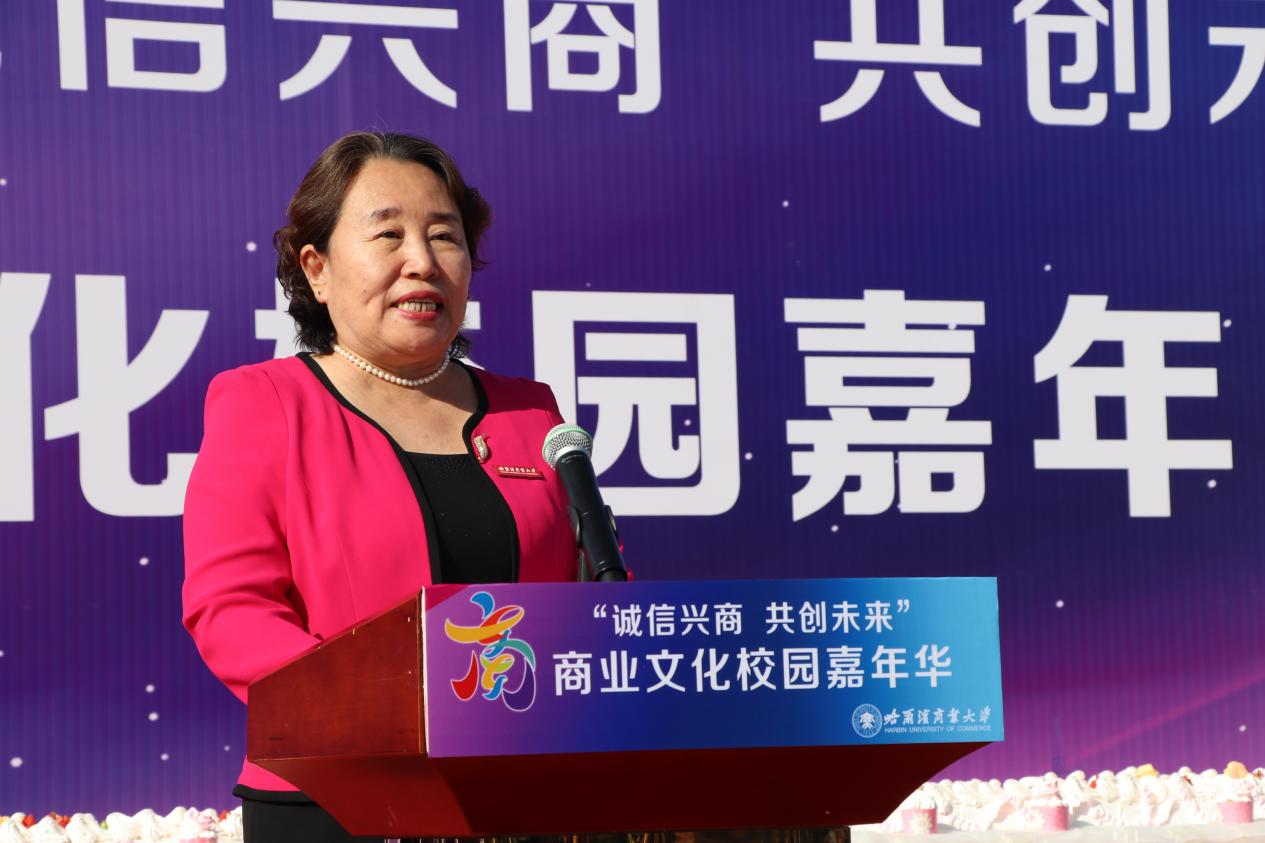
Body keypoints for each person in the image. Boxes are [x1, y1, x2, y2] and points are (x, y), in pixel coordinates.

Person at [182, 132, 579, 843]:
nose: (421, 261)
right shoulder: (264, 402)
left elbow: (596, 589)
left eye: (444, 236)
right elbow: (231, 609)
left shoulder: (531, 412)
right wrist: (383, 708)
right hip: (338, 793)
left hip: (523, 789)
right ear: (317, 269)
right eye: (388, 234)